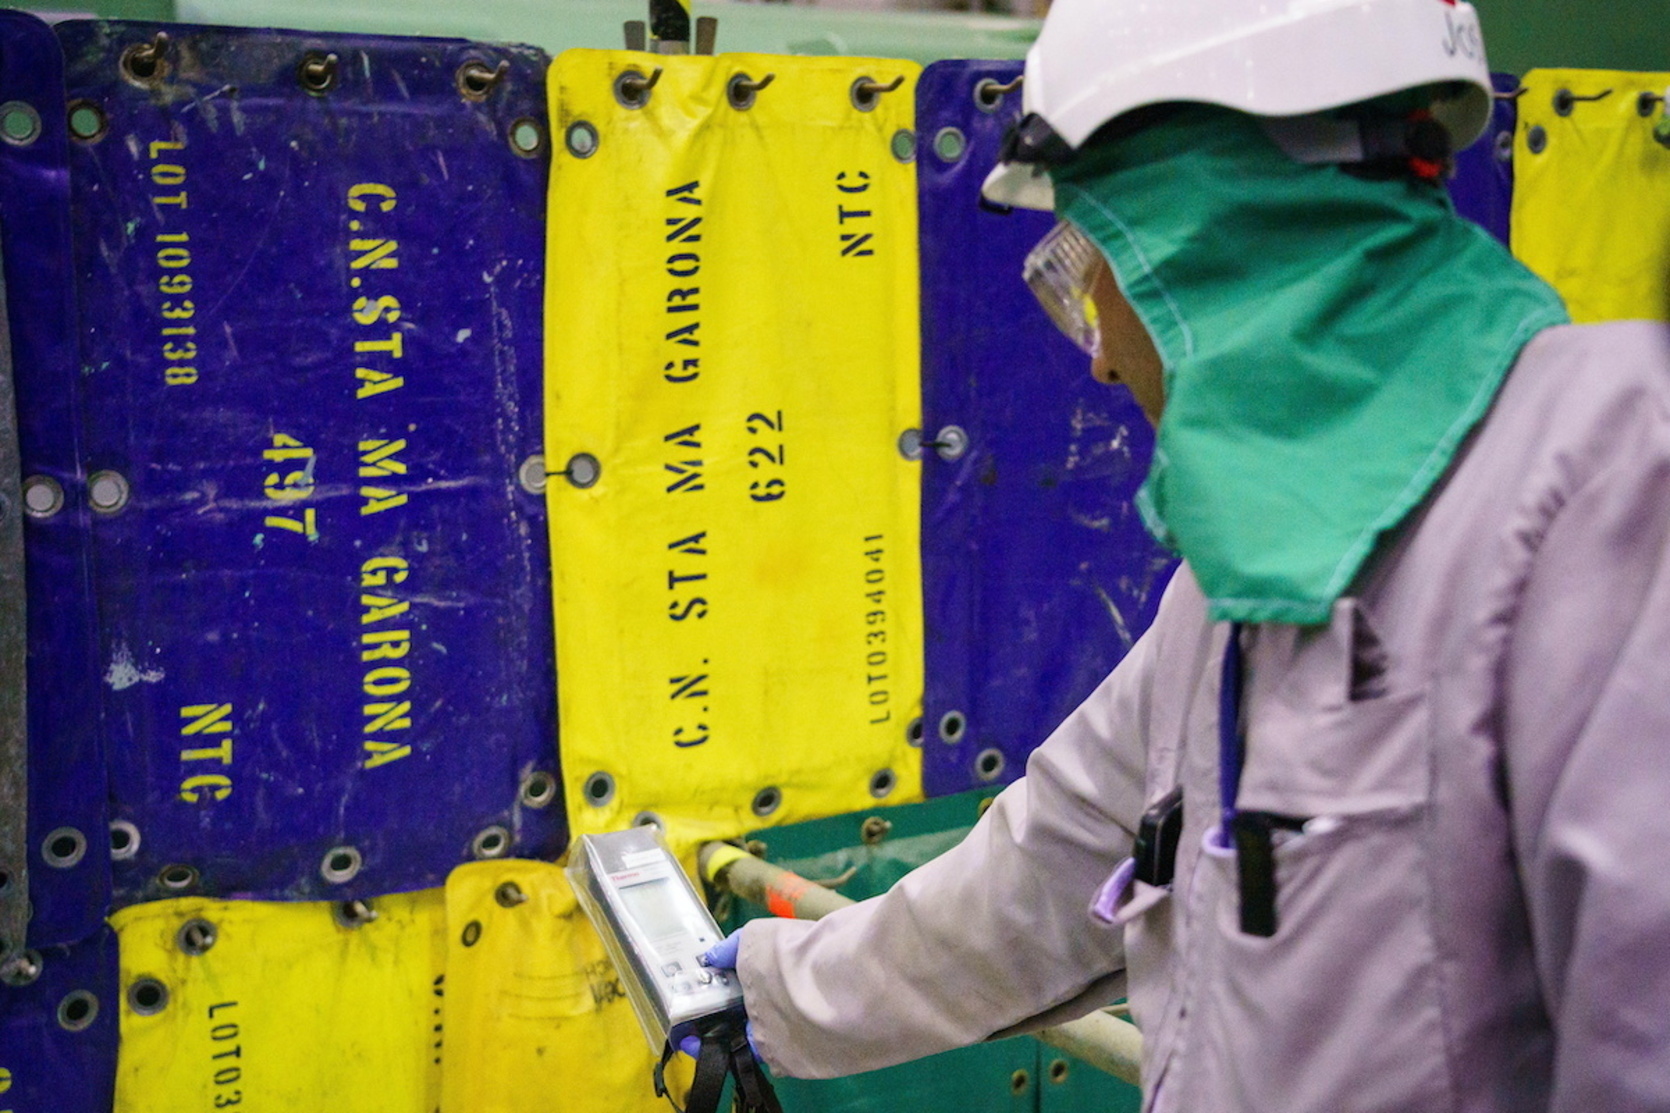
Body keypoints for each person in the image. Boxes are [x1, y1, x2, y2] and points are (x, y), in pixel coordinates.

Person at [702, 0, 1670, 1109]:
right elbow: (1046, 870)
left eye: (1091, 269)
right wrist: (782, 996)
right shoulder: (1237, 574)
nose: (1102, 359)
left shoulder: (1612, 474)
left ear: (1204, 229)